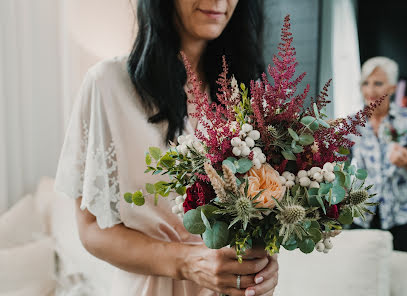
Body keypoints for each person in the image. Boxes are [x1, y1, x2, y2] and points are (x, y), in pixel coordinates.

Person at [54, 0, 279, 295]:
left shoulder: (250, 91)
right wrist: (189, 262)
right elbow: (92, 229)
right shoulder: (108, 85)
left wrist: (263, 268)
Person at [349, 56, 407, 251]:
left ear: (393, 88)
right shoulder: (352, 123)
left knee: (396, 271)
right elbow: (340, 165)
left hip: (400, 215)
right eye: (365, 83)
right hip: (362, 214)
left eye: (378, 83)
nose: (370, 90)